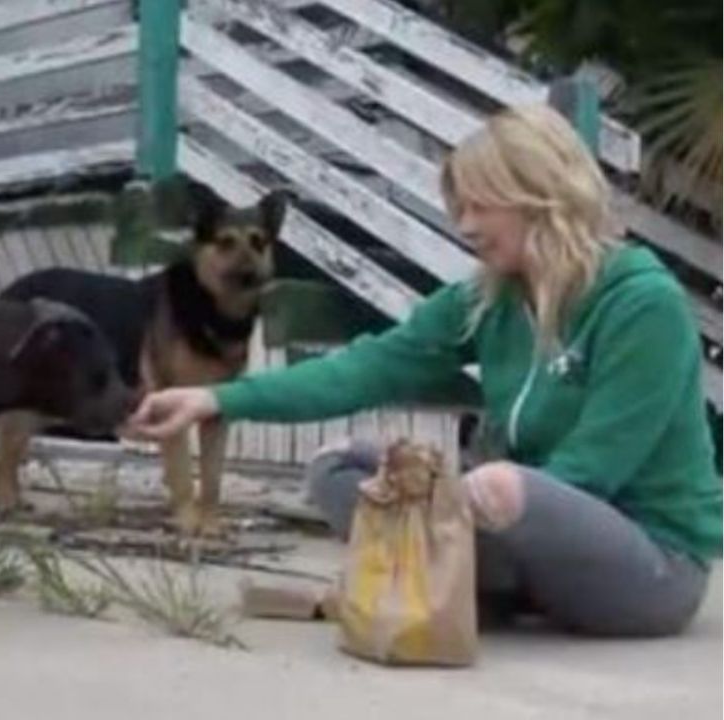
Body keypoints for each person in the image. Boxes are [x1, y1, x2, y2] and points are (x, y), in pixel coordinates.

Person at [125, 104, 721, 637]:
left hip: (649, 567)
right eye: (458, 206)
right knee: (342, 467)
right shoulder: (490, 298)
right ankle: (479, 582)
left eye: (480, 205)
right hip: (525, 542)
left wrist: (451, 508)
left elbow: (592, 471)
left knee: (499, 486)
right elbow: (367, 367)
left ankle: (457, 573)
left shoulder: (644, 305)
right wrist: (218, 401)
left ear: (541, 194)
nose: (463, 225)